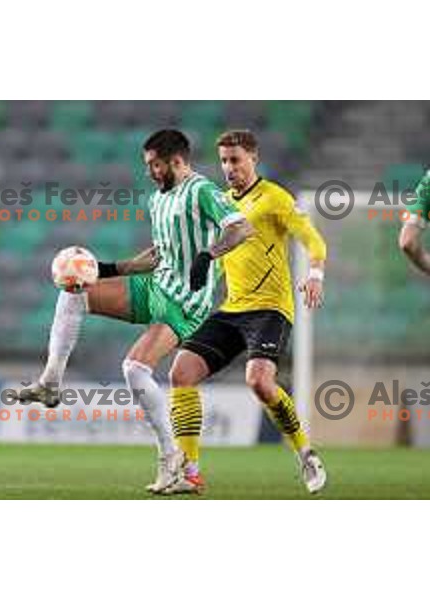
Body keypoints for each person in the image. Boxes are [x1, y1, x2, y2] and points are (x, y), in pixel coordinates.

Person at [17, 129, 252, 493]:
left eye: (155, 165)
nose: (150, 172)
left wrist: (209, 255)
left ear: (177, 161)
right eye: (148, 165)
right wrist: (111, 269)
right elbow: (160, 254)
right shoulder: (158, 201)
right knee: (75, 290)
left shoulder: (202, 191)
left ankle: (169, 455)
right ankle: (50, 382)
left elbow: (241, 228)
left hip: (186, 301)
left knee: (135, 367)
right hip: (157, 286)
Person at [166, 130, 328, 495]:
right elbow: (224, 257)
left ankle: (305, 453)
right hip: (232, 309)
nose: (228, 168)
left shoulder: (274, 198)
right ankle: (190, 472)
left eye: (235, 159)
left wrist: (315, 274)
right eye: (223, 161)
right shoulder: (222, 202)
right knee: (181, 373)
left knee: (258, 382)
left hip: (270, 309)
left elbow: (313, 239)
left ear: (253, 158)